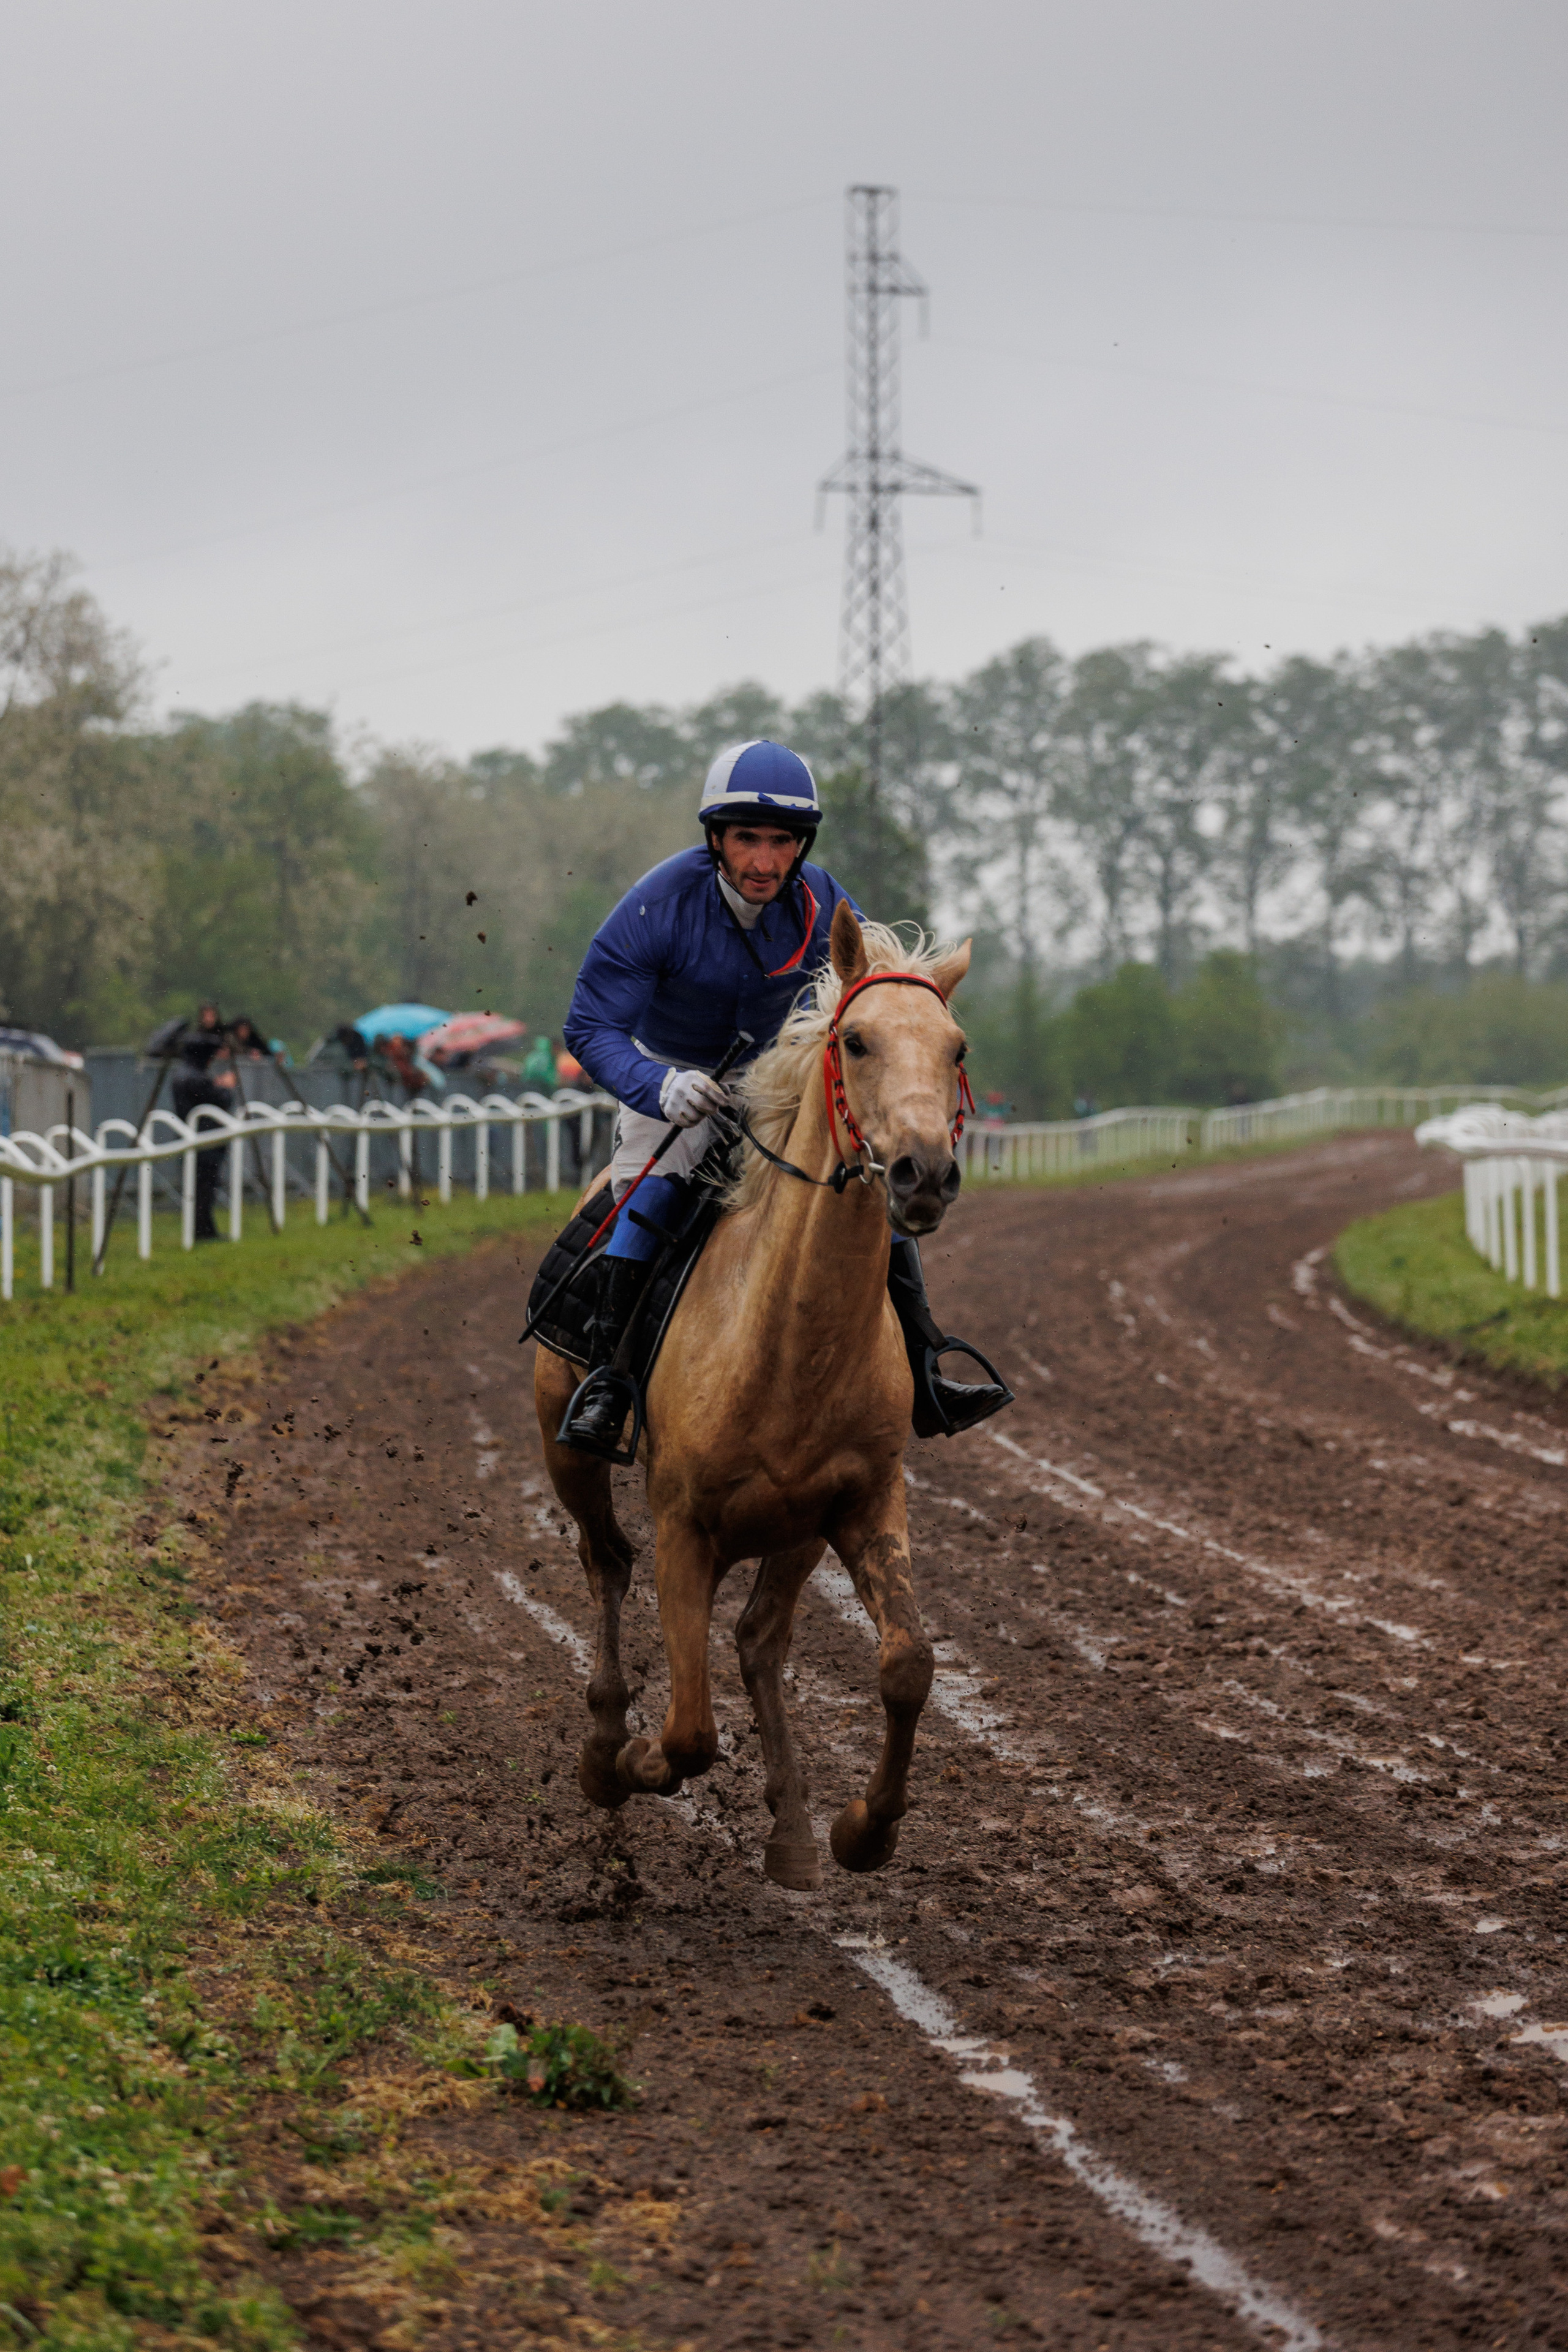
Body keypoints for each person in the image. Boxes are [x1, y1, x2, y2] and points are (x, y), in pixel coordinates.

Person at [557, 738, 1009, 1455]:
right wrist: (658, 1084)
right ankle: (609, 1380)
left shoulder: (827, 902)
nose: (765, 862)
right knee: (654, 1184)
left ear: (800, 846)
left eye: (782, 843)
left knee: (866, 1190)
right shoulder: (655, 906)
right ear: (715, 839)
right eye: (747, 841)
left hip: (781, 1079)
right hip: (674, 1078)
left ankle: (926, 1363)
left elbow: (872, 1001)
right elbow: (588, 1026)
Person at [170, 1002, 233, 1242]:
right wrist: (225, 1087)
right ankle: (203, 1232)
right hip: (205, 1140)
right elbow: (220, 1100)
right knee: (204, 1189)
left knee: (200, 1188)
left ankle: (204, 1230)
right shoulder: (196, 1078)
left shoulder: (184, 1073)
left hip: (194, 1137)